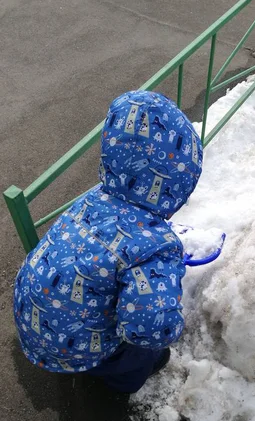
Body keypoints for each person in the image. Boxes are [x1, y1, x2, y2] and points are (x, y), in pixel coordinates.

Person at [13, 91, 203, 394]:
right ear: (176, 186)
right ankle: (117, 380)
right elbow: (152, 325)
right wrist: (172, 325)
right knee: (150, 354)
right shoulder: (157, 248)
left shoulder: (92, 199)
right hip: (73, 346)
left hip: (29, 321)